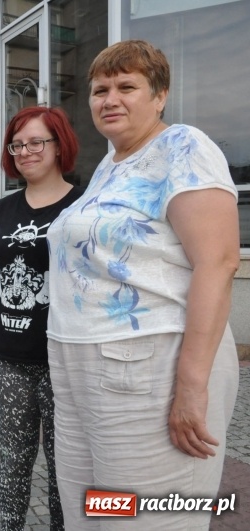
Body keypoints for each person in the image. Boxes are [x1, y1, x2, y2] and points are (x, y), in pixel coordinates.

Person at [46, 40, 240, 529]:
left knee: (142, 516)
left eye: (126, 86)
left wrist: (192, 388)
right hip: (80, 369)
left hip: (144, 368)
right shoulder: (110, 166)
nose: (110, 99)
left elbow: (217, 263)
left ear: (159, 95)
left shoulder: (183, 147)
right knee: (92, 512)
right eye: (100, 90)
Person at [0, 106, 82, 531]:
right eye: (18, 144)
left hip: (63, 358)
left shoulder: (83, 204)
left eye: (37, 142)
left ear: (60, 146)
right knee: (13, 458)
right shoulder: (2, 209)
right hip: (9, 357)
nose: (26, 151)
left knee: (66, 464)